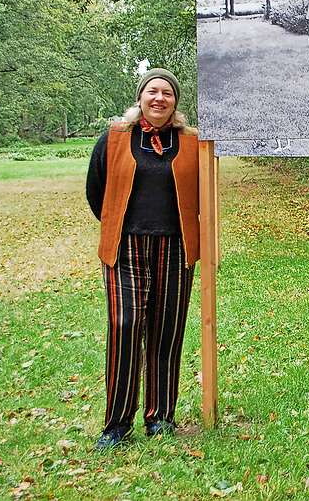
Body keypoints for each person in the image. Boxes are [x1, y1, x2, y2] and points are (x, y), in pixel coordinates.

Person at [85, 68, 200, 449]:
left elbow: (204, 195)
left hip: (175, 246)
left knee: (167, 330)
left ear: (175, 102)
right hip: (126, 247)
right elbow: (95, 190)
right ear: (140, 98)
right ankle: (117, 424)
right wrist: (117, 222)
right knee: (125, 324)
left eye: (167, 93)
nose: (159, 98)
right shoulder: (115, 138)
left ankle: (161, 417)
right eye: (152, 91)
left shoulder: (191, 143)